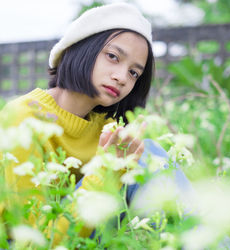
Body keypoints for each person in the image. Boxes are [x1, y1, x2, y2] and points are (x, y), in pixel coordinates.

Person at [0, 2, 155, 244]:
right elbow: (35, 241)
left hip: (88, 231)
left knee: (146, 151)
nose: (122, 77)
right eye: (113, 57)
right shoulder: (23, 116)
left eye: (134, 73)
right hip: (38, 240)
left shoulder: (109, 128)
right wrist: (106, 169)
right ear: (80, 48)